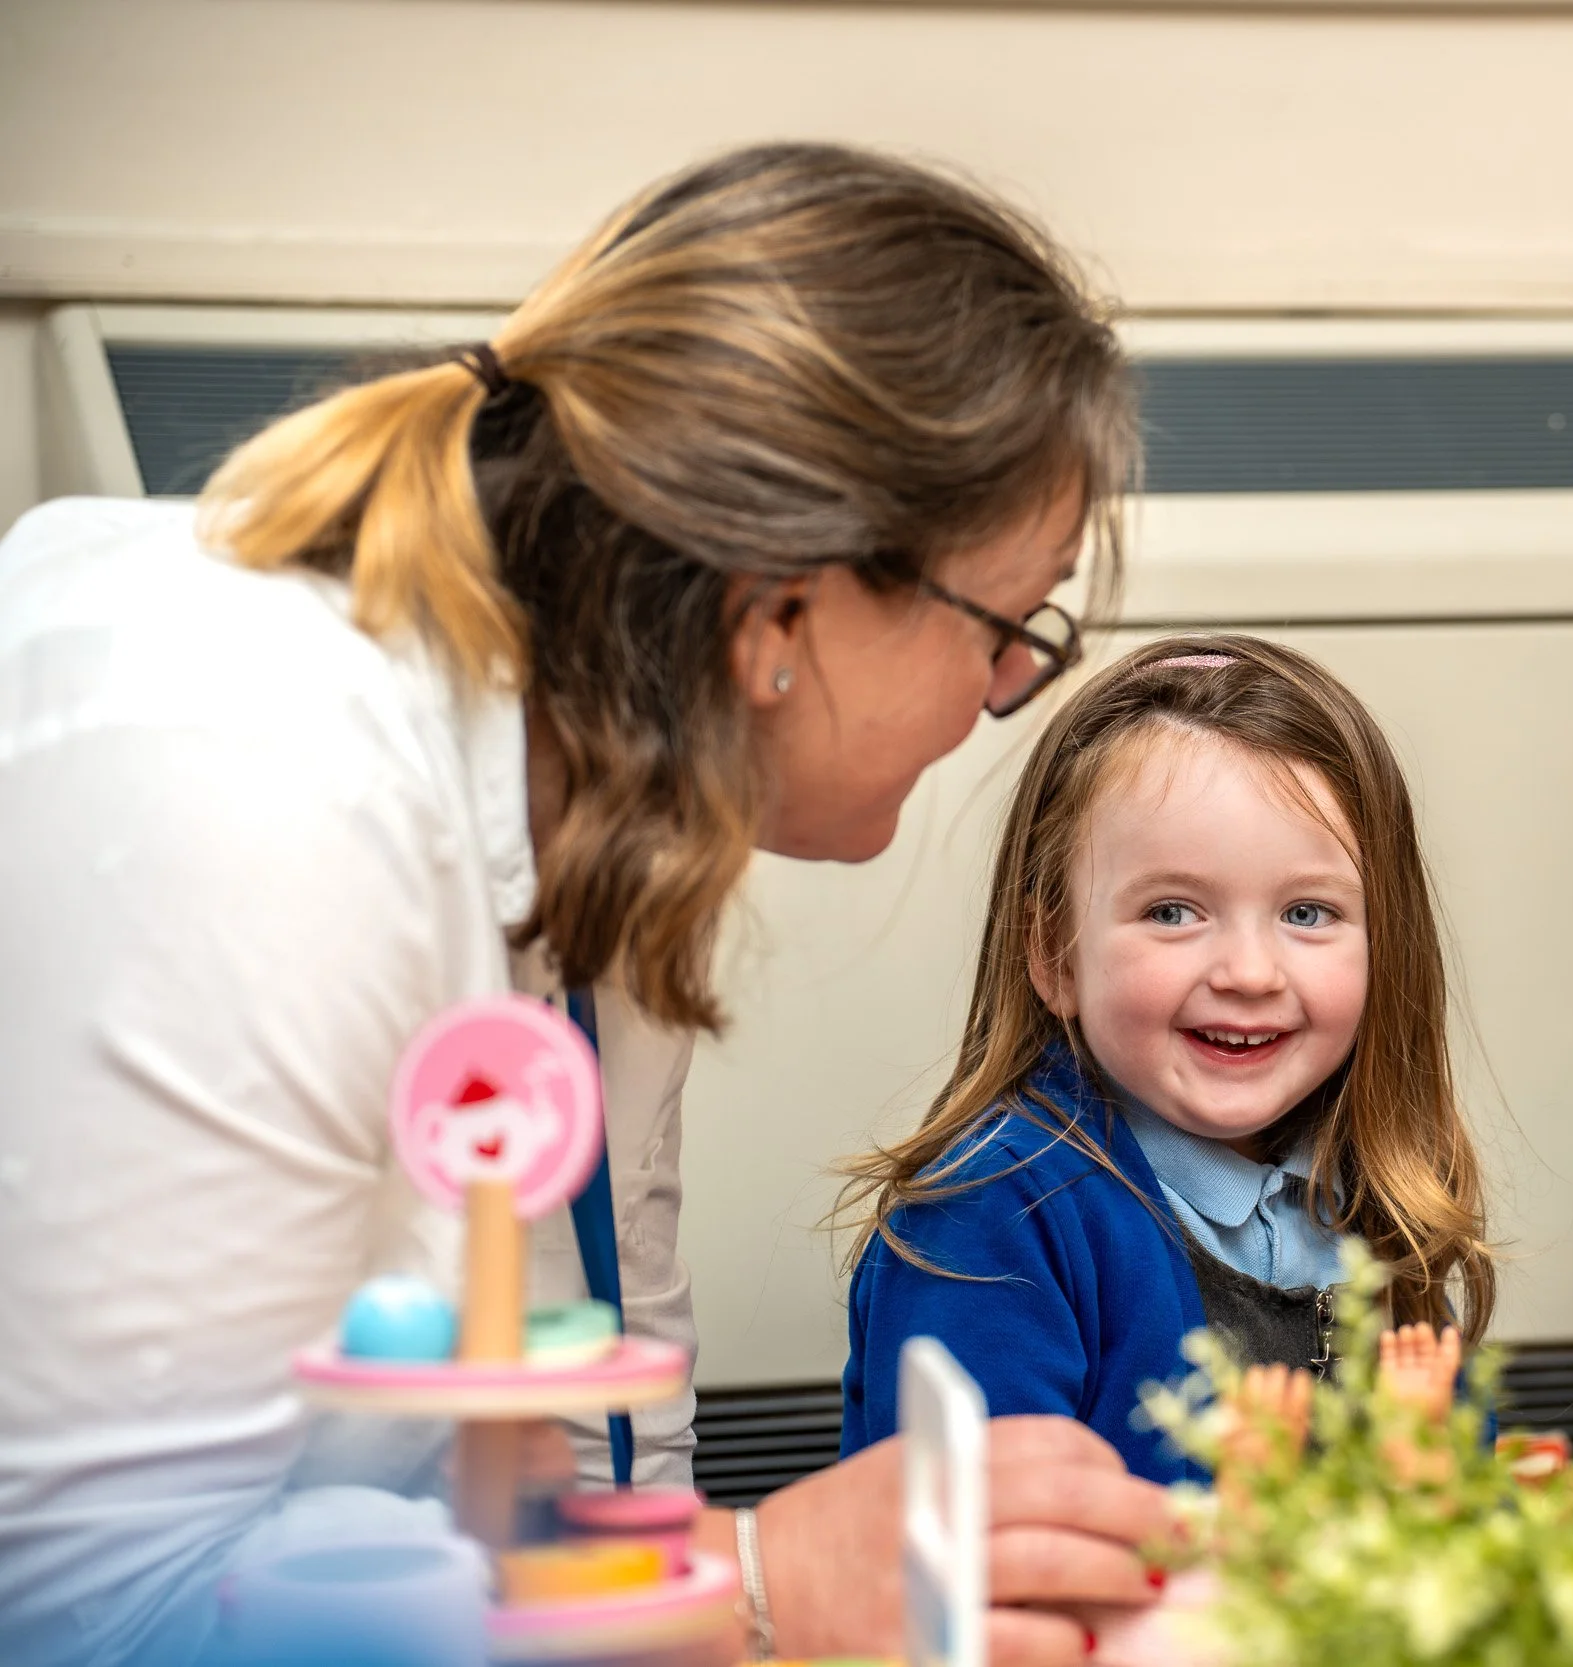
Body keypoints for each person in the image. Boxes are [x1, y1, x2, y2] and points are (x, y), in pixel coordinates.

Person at [0, 142, 1167, 1667]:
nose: (1016, 687)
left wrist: (710, 1594)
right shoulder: (244, 793)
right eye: (1010, 623)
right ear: (779, 611)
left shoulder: (607, 818)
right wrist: (759, 1577)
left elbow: (601, 1428)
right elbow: (82, 1609)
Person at [838, 637, 1495, 1479]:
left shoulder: (1380, 1201)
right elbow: (990, 1557)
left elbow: (1468, 1508)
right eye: (1174, 911)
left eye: (1307, 912)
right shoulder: (991, 1217)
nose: (1250, 974)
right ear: (1053, 951)